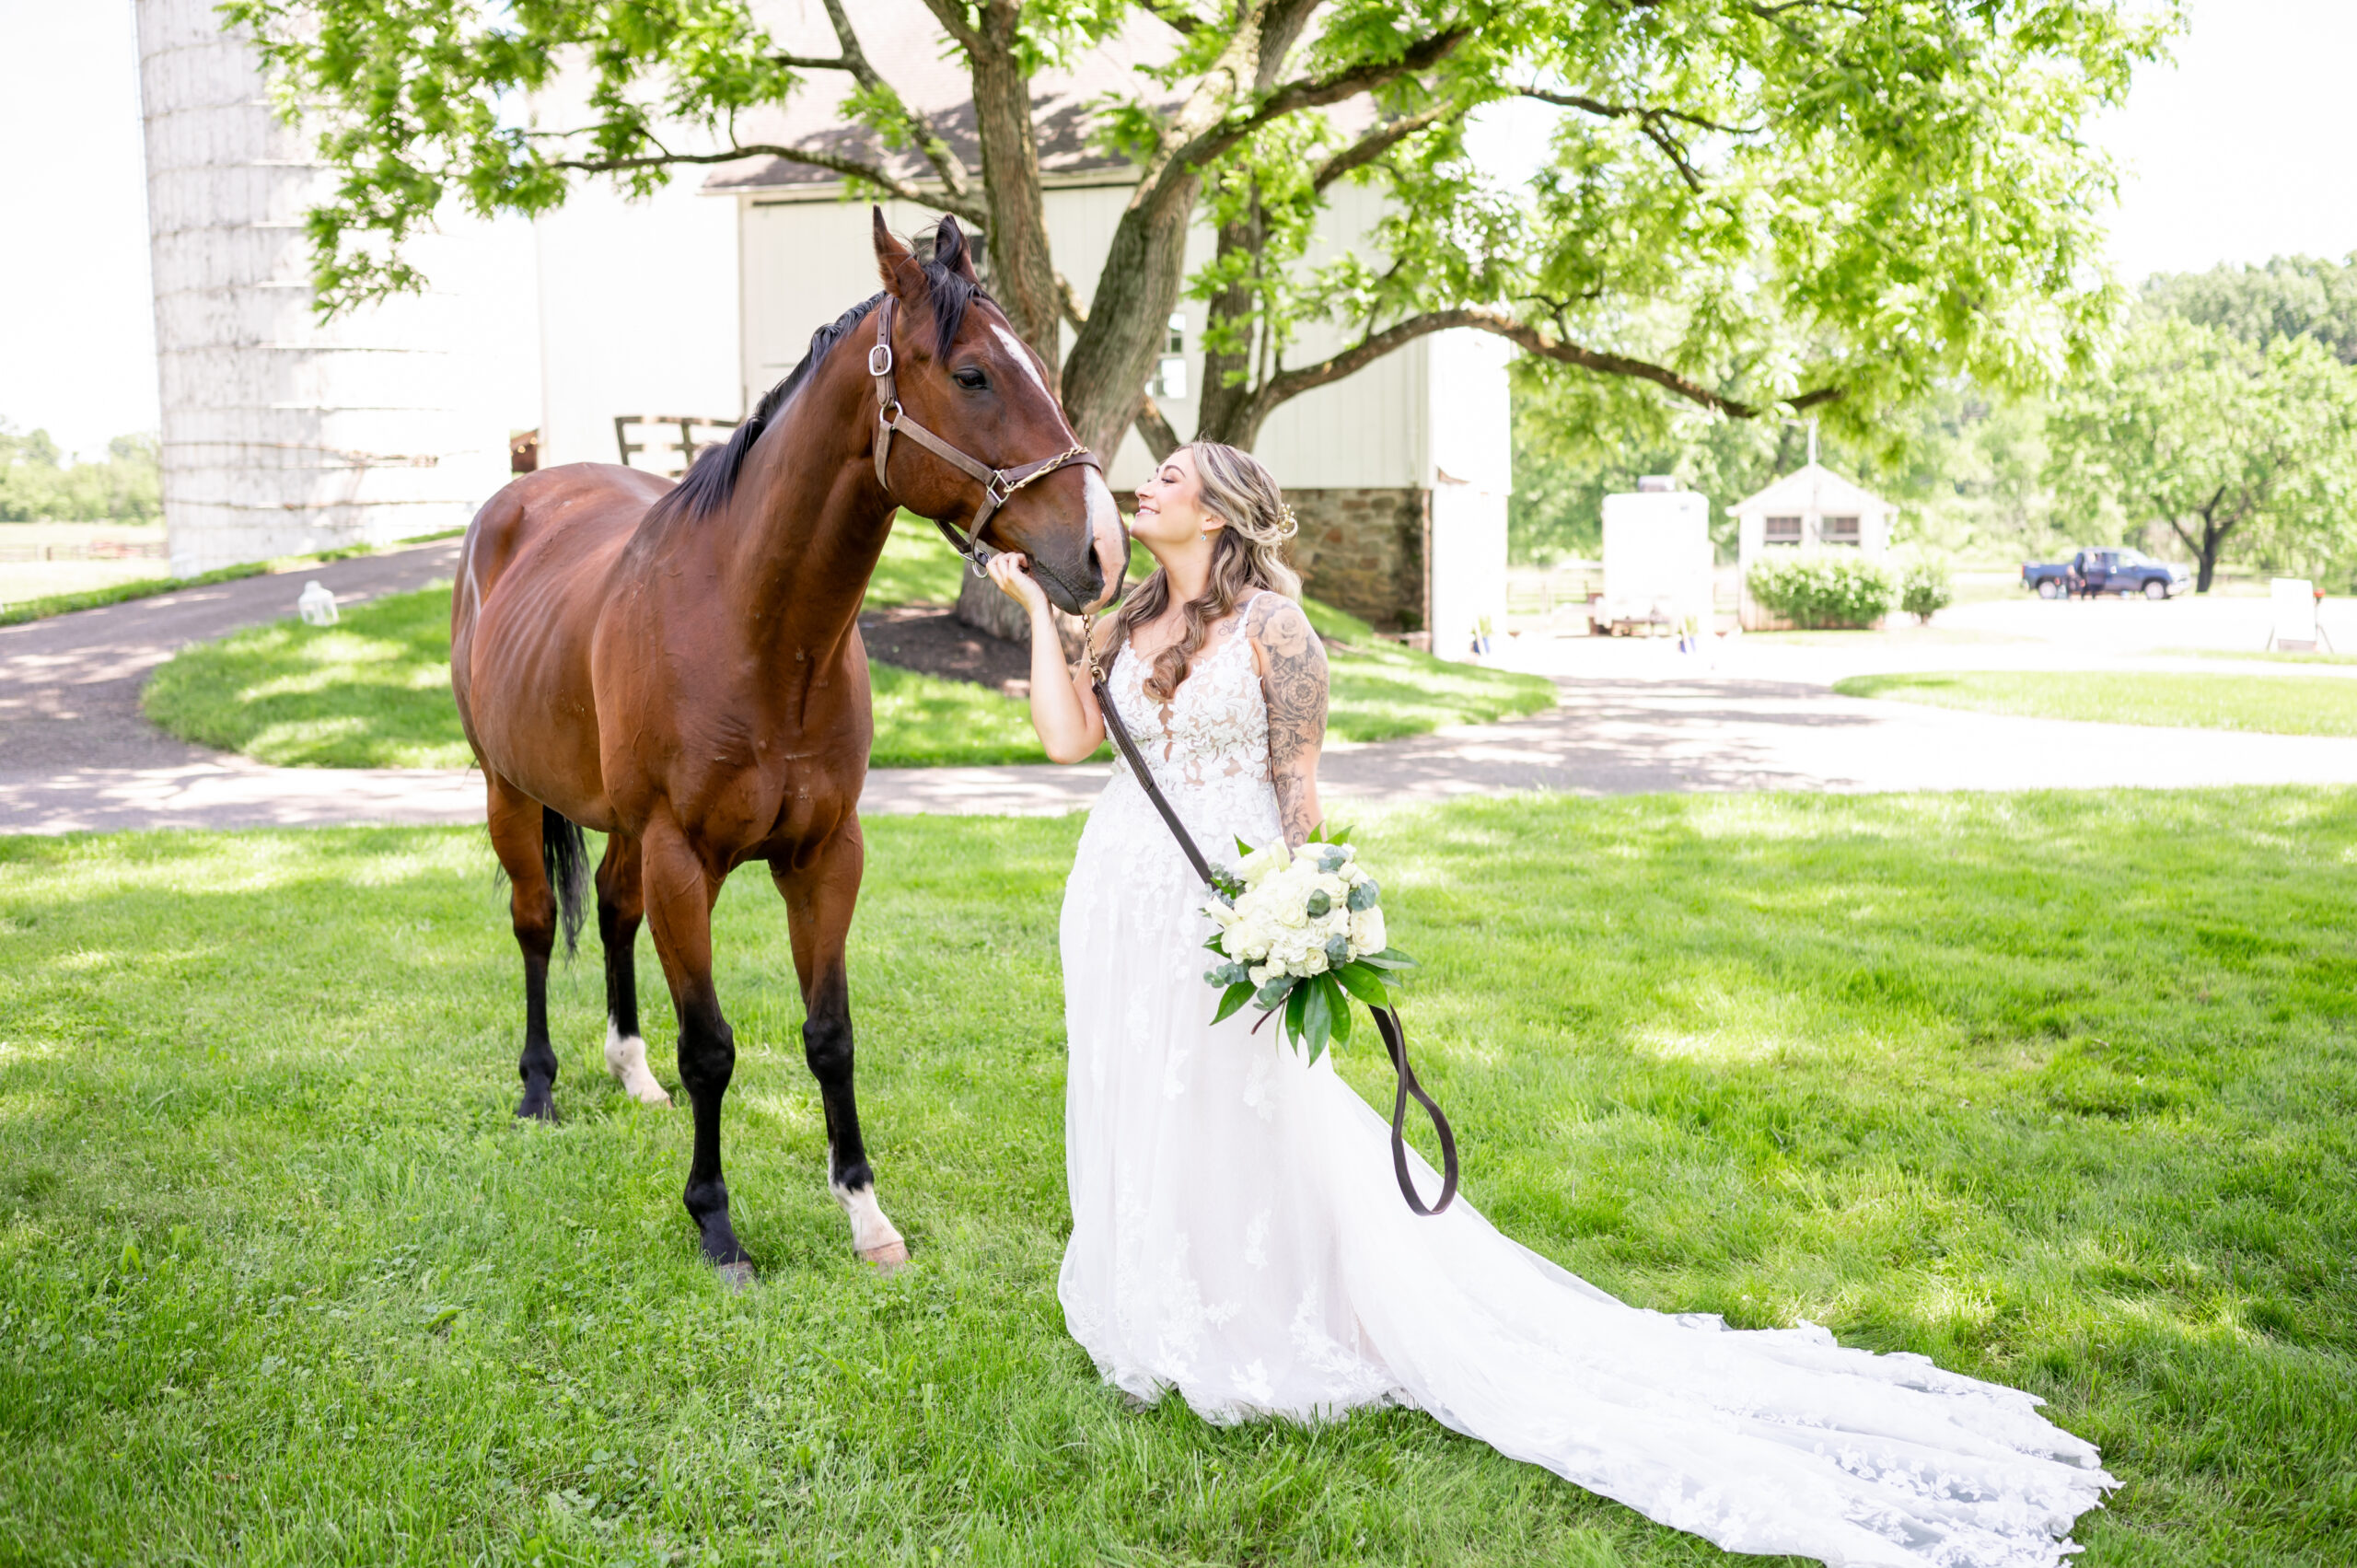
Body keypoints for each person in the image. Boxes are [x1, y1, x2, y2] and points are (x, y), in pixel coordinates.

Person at [987, 441, 2115, 1567]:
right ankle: (1164, 1295)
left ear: (1223, 510)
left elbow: (1298, 791)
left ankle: (1272, 1309)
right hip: (1116, 898)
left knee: (1245, 1105)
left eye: (1172, 476)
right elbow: (1064, 738)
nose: (1148, 486)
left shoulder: (1280, 631)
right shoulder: (1127, 619)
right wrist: (1040, 613)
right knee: (1141, 1089)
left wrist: (1303, 912)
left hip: (1225, 905)